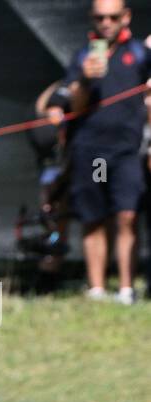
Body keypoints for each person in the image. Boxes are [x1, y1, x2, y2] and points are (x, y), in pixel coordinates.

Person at [65, 0, 151, 303]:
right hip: (90, 149)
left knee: (127, 216)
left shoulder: (140, 53)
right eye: (100, 17)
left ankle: (127, 288)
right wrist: (85, 79)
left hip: (127, 150)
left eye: (113, 17)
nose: (106, 23)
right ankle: (97, 288)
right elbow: (73, 107)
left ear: (126, 17)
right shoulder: (83, 56)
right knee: (93, 218)